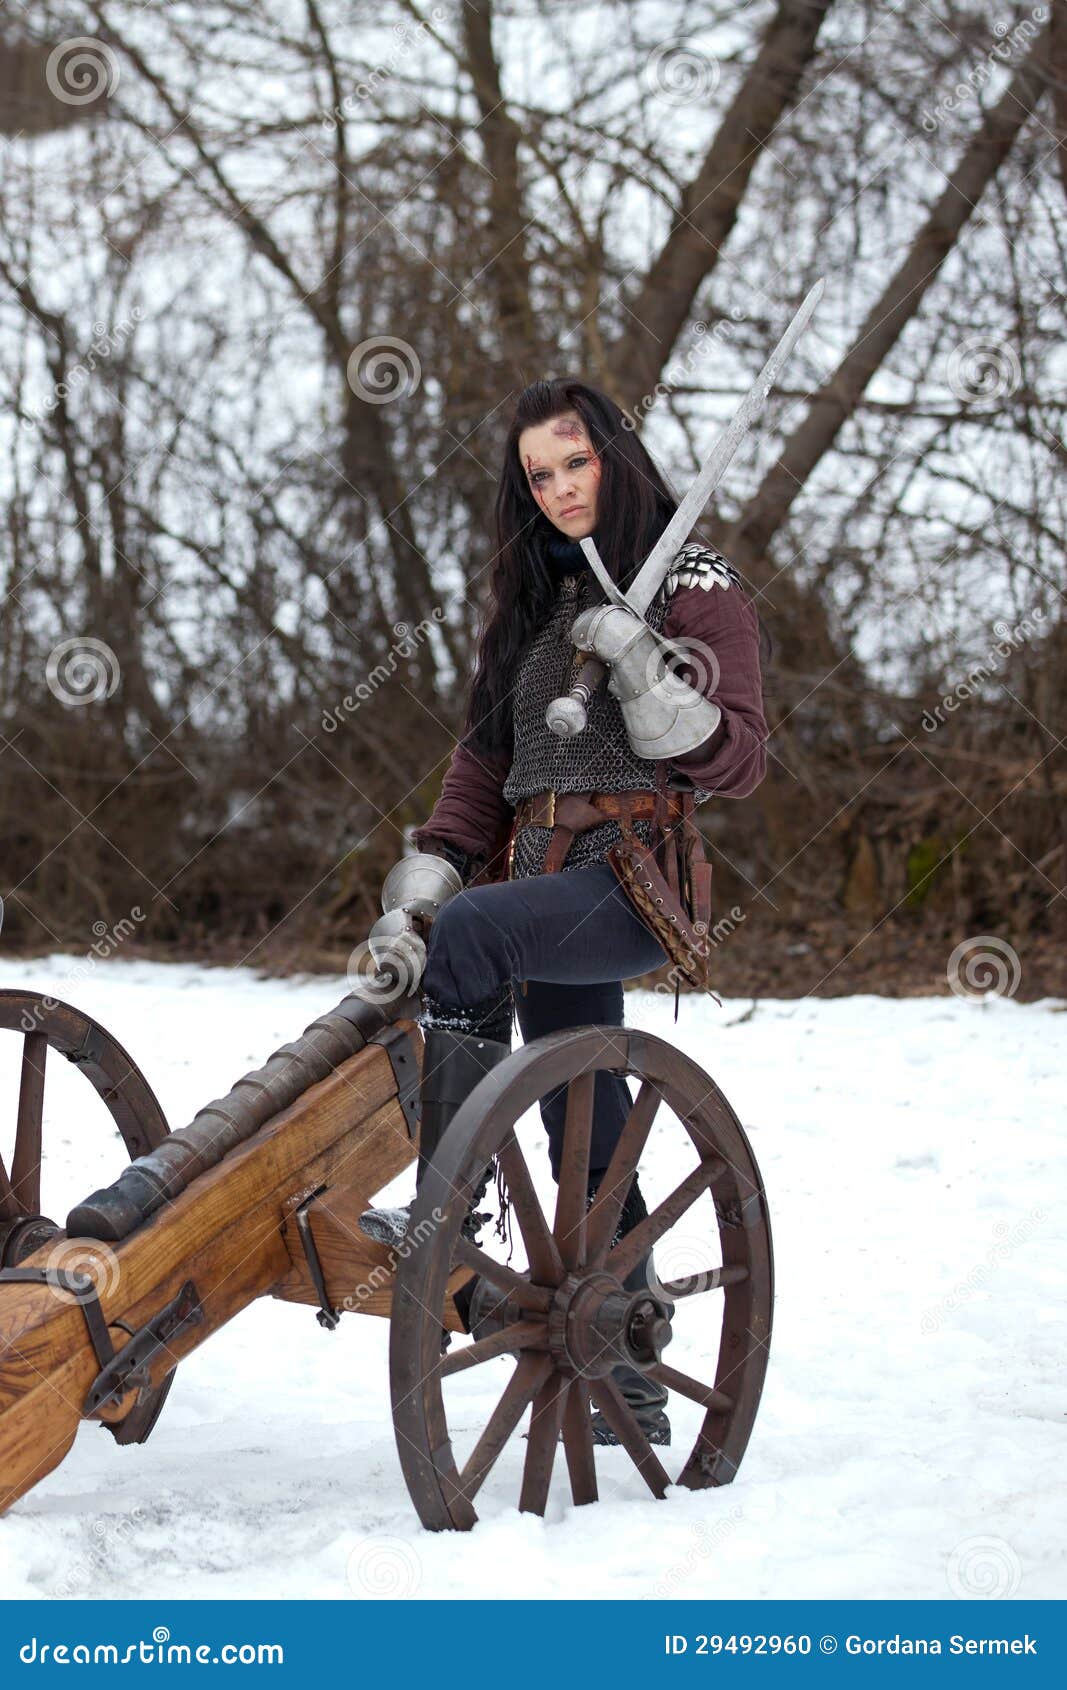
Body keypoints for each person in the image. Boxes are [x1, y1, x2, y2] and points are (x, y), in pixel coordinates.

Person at [360, 377, 768, 1444]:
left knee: (482, 938)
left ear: (613, 456)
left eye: (573, 463)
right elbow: (480, 768)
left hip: (631, 878)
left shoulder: (694, 581)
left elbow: (737, 758)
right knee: (580, 1129)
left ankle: (452, 1206)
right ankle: (626, 1358)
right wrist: (421, 890)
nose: (557, 490)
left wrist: (640, 661)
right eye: (538, 475)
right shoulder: (531, 605)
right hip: (540, 873)